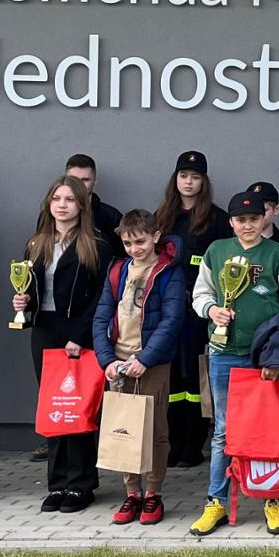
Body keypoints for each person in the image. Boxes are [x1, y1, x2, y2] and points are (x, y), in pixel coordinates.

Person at [187, 191, 279, 537]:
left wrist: (278, 356)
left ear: (265, 218)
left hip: (264, 358)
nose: (247, 226)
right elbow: (200, 293)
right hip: (223, 351)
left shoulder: (278, 254)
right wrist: (212, 310)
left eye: (254, 219)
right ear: (231, 222)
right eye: (241, 220)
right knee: (223, 431)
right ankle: (216, 502)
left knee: (267, 429)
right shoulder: (216, 251)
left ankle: (273, 501)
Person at [13, 176, 112, 513]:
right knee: (54, 408)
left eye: (70, 199)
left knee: (77, 408)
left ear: (81, 205)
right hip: (45, 330)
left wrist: (81, 336)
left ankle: (81, 484)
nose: (62, 205)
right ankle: (57, 484)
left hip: (78, 334)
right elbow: (31, 286)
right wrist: (23, 302)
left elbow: (102, 297)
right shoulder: (36, 243)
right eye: (57, 199)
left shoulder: (96, 245)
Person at [92, 209, 187, 526]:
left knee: (155, 430)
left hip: (152, 363)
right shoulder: (118, 270)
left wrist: (145, 359)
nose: (135, 249)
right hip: (118, 362)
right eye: (128, 243)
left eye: (141, 242)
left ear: (156, 237)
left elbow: (172, 320)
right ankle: (132, 493)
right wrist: (107, 360)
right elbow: (102, 316)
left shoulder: (169, 272)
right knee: (124, 429)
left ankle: (153, 493)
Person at [153, 151, 229, 469]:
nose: (188, 182)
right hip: (166, 309)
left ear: (203, 182)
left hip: (200, 311)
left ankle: (193, 445)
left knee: (197, 376)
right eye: (183, 176)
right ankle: (171, 442)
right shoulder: (162, 217)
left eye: (195, 177)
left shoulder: (218, 219)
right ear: (175, 179)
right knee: (170, 376)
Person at [65, 154, 123, 255]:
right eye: (73, 180)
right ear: (65, 180)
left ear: (95, 180)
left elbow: (121, 257)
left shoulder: (112, 217)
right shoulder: (50, 214)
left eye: (85, 180)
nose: (79, 185)